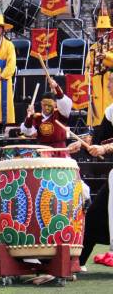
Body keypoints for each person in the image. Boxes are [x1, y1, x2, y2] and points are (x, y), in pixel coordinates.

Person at [69, 73, 113, 270]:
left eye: (112, 82)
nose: (109, 85)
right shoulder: (111, 111)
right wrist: (81, 143)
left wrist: (106, 149)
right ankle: (77, 263)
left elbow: (105, 144)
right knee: (95, 217)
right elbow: (99, 135)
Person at [19, 78, 72, 148]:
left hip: (59, 149)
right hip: (43, 150)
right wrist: (30, 116)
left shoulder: (60, 114)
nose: (47, 108)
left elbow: (64, 103)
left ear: (55, 104)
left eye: (49, 105)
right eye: (45, 105)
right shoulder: (37, 117)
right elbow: (28, 132)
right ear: (41, 104)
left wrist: (56, 87)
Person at [85, 7, 113, 126]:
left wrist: (106, 56)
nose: (101, 33)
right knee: (97, 118)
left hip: (109, 83)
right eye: (99, 31)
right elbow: (87, 67)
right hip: (96, 84)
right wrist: (88, 82)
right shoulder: (93, 48)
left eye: (104, 30)